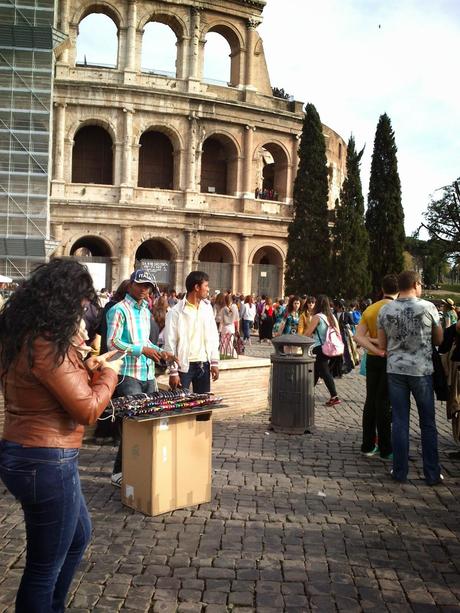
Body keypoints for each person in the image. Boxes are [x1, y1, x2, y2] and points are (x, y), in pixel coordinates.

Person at [0, 259, 123, 612]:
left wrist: (85, 366)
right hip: (46, 459)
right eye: (83, 302)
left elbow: (48, 388)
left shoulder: (22, 334)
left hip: (27, 451)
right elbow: (86, 410)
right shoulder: (46, 343)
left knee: (78, 536)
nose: (86, 311)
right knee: (43, 569)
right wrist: (109, 374)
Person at [106, 269, 177, 487]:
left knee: (146, 423)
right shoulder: (118, 310)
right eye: (141, 285)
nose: (145, 289)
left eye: (148, 286)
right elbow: (113, 343)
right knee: (133, 423)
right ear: (130, 286)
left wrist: (161, 352)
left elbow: (145, 341)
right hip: (128, 374)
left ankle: (139, 466)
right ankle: (119, 471)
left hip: (147, 374)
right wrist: (141, 350)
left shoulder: (146, 311)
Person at [378, 270, 444, 484]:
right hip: (421, 370)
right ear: (415, 284)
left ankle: (399, 472)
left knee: (399, 421)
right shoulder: (428, 307)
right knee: (428, 423)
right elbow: (439, 339)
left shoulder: (385, 309)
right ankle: (432, 474)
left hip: (396, 369)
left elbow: (381, 345)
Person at [354, 274, 399, 460]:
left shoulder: (371, 309)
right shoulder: (398, 308)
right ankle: (386, 447)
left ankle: (367, 444)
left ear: (382, 288)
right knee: (384, 402)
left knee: (370, 400)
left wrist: (376, 349)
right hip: (392, 359)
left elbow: (358, 337)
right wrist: (384, 350)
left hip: (373, 359)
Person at [164, 270, 219, 392]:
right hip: (183, 365)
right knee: (179, 405)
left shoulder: (207, 309)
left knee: (204, 405)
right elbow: (170, 342)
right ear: (197, 287)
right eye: (206, 285)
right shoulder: (175, 312)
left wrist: (214, 362)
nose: (208, 289)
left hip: (204, 364)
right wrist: (173, 371)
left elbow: (213, 336)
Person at [304, 294, 341, 406]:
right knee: (316, 372)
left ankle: (334, 396)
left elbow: (307, 333)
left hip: (319, 348)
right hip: (330, 348)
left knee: (324, 372)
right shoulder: (332, 317)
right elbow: (338, 333)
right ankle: (306, 394)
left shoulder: (318, 317)